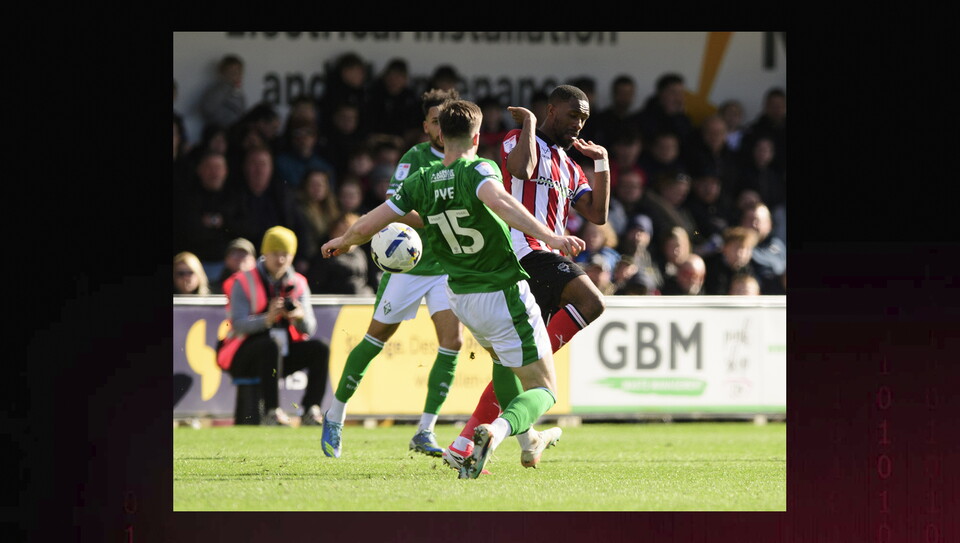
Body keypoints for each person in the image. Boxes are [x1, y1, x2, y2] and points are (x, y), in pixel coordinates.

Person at [320, 99, 586, 479]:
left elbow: (371, 222)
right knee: (544, 390)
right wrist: (551, 237)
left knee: (502, 363)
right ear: (477, 137)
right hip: (501, 291)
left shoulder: (420, 180)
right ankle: (496, 432)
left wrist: (345, 240)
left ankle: (529, 442)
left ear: (441, 135)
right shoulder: (478, 169)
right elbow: (501, 202)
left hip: (462, 298)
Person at [443, 84, 611, 472]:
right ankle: (534, 364)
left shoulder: (571, 167)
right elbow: (522, 170)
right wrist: (530, 124)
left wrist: (602, 163)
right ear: (552, 110)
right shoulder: (517, 139)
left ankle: (463, 443)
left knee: (512, 366)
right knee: (592, 302)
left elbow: (597, 214)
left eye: (584, 118)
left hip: (543, 258)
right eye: (572, 115)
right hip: (524, 251)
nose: (578, 123)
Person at [317, 88, 468, 460]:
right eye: (435, 121)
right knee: (375, 339)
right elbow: (394, 206)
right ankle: (335, 414)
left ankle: (425, 430)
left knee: (453, 342)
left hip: (446, 268)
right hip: (410, 266)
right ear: (426, 126)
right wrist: (438, 218)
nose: (441, 127)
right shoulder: (415, 158)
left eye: (446, 120)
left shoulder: (467, 160)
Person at [217, 226, 331, 426]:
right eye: (275, 253)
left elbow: (310, 328)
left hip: (281, 354)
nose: (281, 260)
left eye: (286, 254)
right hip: (244, 355)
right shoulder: (243, 281)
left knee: (321, 348)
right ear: (265, 253)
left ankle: (311, 409)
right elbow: (238, 325)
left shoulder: (299, 283)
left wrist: (298, 317)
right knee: (270, 345)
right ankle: (272, 411)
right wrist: (267, 319)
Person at [172, 150, 242, 269]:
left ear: (225, 171)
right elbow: (187, 231)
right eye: (209, 167)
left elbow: (245, 228)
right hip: (194, 264)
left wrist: (223, 222)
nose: (214, 173)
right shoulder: (187, 197)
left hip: (229, 262)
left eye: (218, 167)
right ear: (199, 170)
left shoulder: (236, 196)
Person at [305, 212, 376, 296]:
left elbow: (369, 277)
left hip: (362, 297)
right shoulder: (326, 252)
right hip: (335, 299)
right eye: (341, 231)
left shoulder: (360, 253)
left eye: (347, 232)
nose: (343, 237)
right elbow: (316, 282)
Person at [631, 72, 695, 153]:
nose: (678, 98)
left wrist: (677, 118)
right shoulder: (639, 120)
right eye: (673, 92)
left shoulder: (685, 121)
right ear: (661, 93)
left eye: (681, 93)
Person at [739, 201, 786, 295]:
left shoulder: (778, 246)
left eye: (758, 220)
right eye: (749, 220)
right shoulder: (738, 246)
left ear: (769, 224)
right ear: (742, 222)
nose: (754, 224)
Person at [273, 120, 336, 189]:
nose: (303, 138)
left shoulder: (325, 167)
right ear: (292, 138)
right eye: (297, 134)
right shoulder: (281, 162)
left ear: (315, 138)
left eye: (308, 133)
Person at [702, 226, 760, 295]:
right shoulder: (711, 267)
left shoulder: (748, 270)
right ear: (725, 248)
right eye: (737, 248)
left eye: (747, 249)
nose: (741, 253)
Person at [587, 74, 638, 148]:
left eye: (628, 94)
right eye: (621, 93)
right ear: (614, 93)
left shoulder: (637, 121)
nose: (625, 97)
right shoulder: (600, 120)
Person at [200, 54, 247, 131]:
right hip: (217, 129)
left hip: (235, 130)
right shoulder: (216, 90)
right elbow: (207, 109)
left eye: (238, 72)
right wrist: (226, 87)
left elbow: (241, 111)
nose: (235, 75)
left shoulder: (238, 92)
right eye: (231, 72)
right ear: (222, 72)